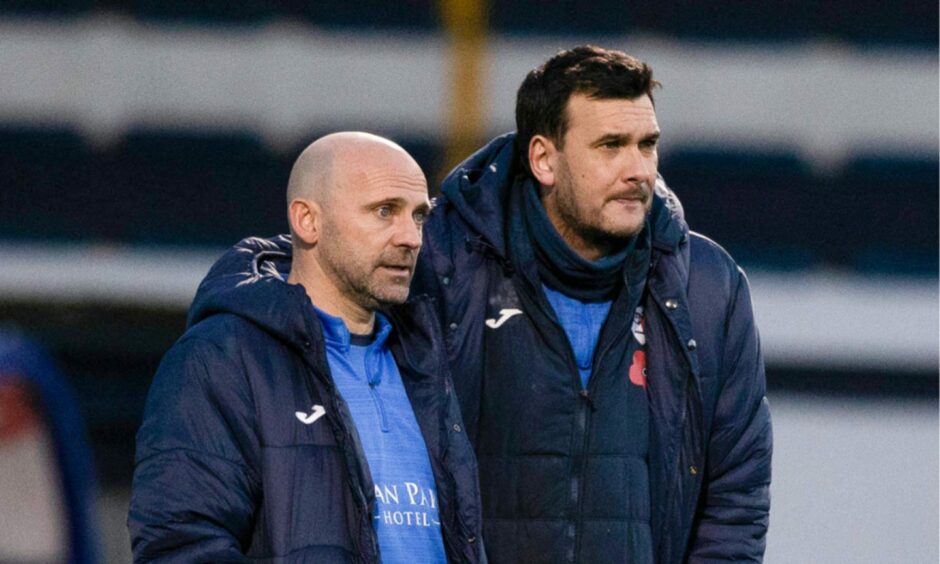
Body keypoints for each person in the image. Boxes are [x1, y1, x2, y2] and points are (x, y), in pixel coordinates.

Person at [411, 45, 772, 563]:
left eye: (647, 145)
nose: (638, 170)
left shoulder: (710, 287)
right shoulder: (444, 265)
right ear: (543, 159)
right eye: (610, 145)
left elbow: (736, 495)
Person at [128, 132, 484, 563]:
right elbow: (182, 545)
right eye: (385, 211)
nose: (411, 237)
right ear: (307, 220)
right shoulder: (220, 359)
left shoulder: (427, 363)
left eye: (419, 216)